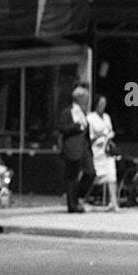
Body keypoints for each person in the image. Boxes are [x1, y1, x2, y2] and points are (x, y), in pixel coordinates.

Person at [57, 82, 96, 214]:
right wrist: (75, 127)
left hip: (84, 147)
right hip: (72, 148)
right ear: (79, 98)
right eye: (85, 98)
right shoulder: (68, 112)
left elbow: (86, 130)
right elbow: (62, 128)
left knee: (91, 173)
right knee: (72, 177)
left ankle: (77, 196)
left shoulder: (83, 112)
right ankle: (72, 205)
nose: (87, 100)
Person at [88, 93, 119, 211]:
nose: (102, 106)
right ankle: (83, 198)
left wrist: (110, 135)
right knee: (95, 175)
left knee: (112, 175)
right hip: (97, 150)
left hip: (107, 150)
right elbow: (90, 136)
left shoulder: (106, 117)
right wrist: (100, 135)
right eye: (100, 104)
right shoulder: (90, 118)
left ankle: (114, 202)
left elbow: (110, 130)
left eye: (104, 104)